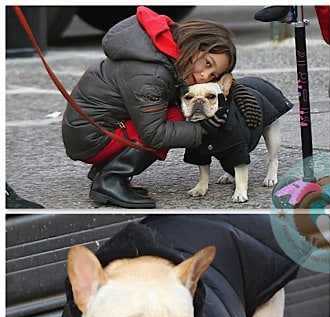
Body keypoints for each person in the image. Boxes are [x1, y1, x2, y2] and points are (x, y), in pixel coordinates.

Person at [61, 6, 235, 208]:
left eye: (213, 74)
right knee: (175, 118)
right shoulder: (151, 73)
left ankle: (105, 171)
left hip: (91, 130)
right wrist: (204, 129)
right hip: (93, 138)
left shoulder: (157, 54)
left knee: (168, 114)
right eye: (207, 63)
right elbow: (154, 134)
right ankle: (110, 180)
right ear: (192, 44)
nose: (205, 75)